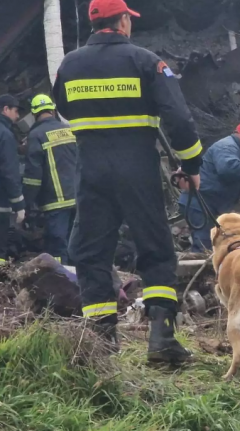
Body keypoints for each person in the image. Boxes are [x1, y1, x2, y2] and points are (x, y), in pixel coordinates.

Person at [52, 0, 204, 363]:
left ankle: (102, 344)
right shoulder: (145, 61)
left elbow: (64, 108)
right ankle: (162, 339)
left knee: (91, 252)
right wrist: (191, 164)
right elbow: (179, 119)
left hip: (91, 169)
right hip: (137, 167)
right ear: (123, 21)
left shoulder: (69, 65)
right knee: (155, 247)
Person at [178, 122, 240, 252]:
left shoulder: (233, 151)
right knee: (204, 245)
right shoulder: (226, 147)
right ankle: (198, 263)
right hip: (200, 203)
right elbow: (228, 169)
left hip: (205, 203)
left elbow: (239, 180)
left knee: (211, 243)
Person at [21, 94, 77, 264]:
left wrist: (26, 204)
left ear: (34, 114)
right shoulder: (69, 130)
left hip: (55, 202)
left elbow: (33, 176)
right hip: (78, 198)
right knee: (76, 243)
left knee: (57, 246)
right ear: (53, 110)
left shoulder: (36, 135)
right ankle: (80, 277)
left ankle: (63, 277)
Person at [0, 94, 24, 264]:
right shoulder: (5, 134)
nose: (17, 116)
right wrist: (19, 204)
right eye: (15, 111)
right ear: (6, 109)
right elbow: (9, 172)